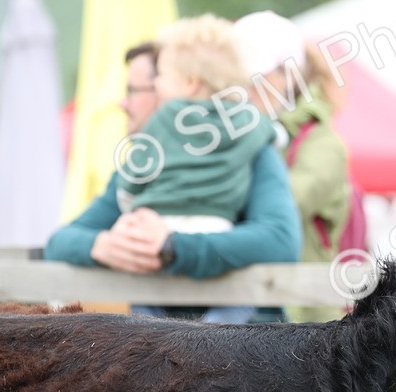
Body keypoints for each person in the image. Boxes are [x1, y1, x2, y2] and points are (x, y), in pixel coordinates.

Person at [45, 38, 301, 321]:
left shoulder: (253, 149)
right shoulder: (142, 163)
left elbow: (281, 239)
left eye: (134, 90)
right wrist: (105, 246)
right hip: (163, 339)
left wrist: (172, 246)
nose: (123, 103)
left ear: (182, 89)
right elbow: (60, 242)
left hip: (250, 340)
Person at [112, 14, 277, 324]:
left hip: (157, 228)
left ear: (190, 82)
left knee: (144, 298)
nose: (155, 83)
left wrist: (129, 203)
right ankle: (216, 327)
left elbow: (135, 173)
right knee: (238, 298)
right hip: (216, 229)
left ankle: (149, 329)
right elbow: (269, 133)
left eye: (161, 75)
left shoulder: (164, 118)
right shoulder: (247, 119)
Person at [233, 10, 358, 323]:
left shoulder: (323, 144)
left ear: (287, 77)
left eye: (254, 79)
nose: (242, 91)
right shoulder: (237, 133)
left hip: (306, 327)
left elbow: (275, 211)